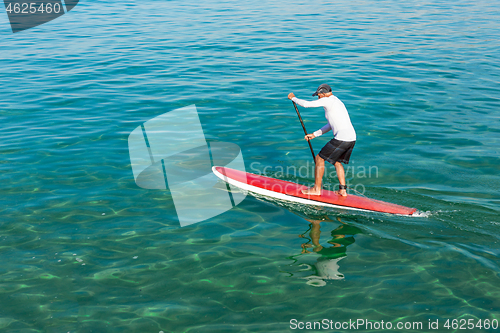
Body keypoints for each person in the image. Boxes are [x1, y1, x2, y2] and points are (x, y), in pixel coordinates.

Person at [288, 84, 356, 196]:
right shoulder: (337, 101)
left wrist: (293, 98)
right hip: (351, 138)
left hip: (342, 138)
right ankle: (342, 190)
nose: (318, 98)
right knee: (337, 162)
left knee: (319, 158)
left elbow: (306, 104)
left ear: (323, 93)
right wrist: (314, 134)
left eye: (318, 95)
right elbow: (331, 124)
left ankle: (316, 189)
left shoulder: (328, 100)